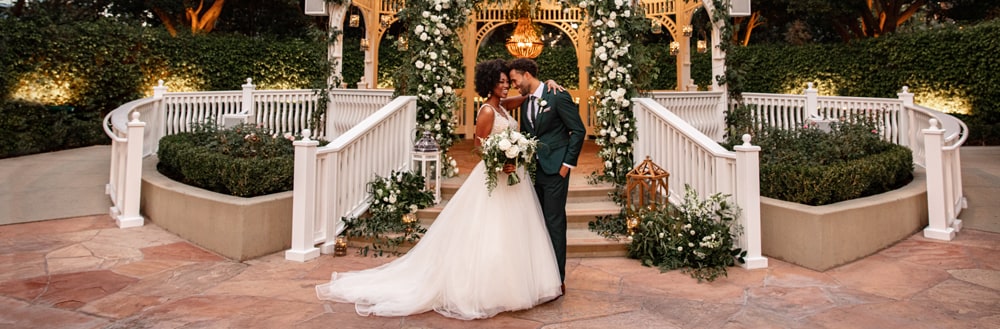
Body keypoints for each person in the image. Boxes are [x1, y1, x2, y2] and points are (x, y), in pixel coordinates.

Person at [315, 59, 563, 320]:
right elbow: (479, 146)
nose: (505, 86)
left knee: (513, 231)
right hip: (496, 176)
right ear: (489, 84)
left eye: (506, 82)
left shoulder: (502, 106)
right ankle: (491, 288)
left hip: (514, 181)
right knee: (491, 231)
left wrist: (545, 84)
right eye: (500, 82)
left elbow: (526, 96)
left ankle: (516, 281)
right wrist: (500, 163)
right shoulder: (488, 111)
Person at [508, 58, 586, 291]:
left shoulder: (557, 96)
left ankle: (557, 280)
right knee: (537, 223)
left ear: (527, 75)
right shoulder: (525, 102)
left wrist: (566, 164)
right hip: (533, 171)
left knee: (554, 222)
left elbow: (578, 130)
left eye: (515, 80)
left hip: (555, 171)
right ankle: (540, 276)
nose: (514, 85)